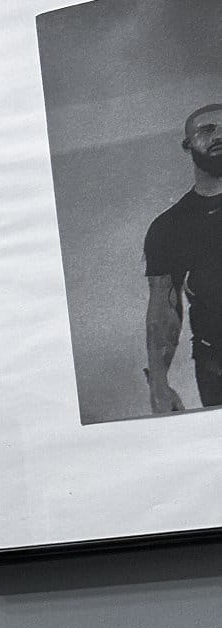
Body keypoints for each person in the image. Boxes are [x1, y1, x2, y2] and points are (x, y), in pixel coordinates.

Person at [144, 102, 222, 413]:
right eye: (207, 129)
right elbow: (164, 308)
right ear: (187, 144)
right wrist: (159, 382)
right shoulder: (170, 227)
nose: (219, 135)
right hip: (215, 364)